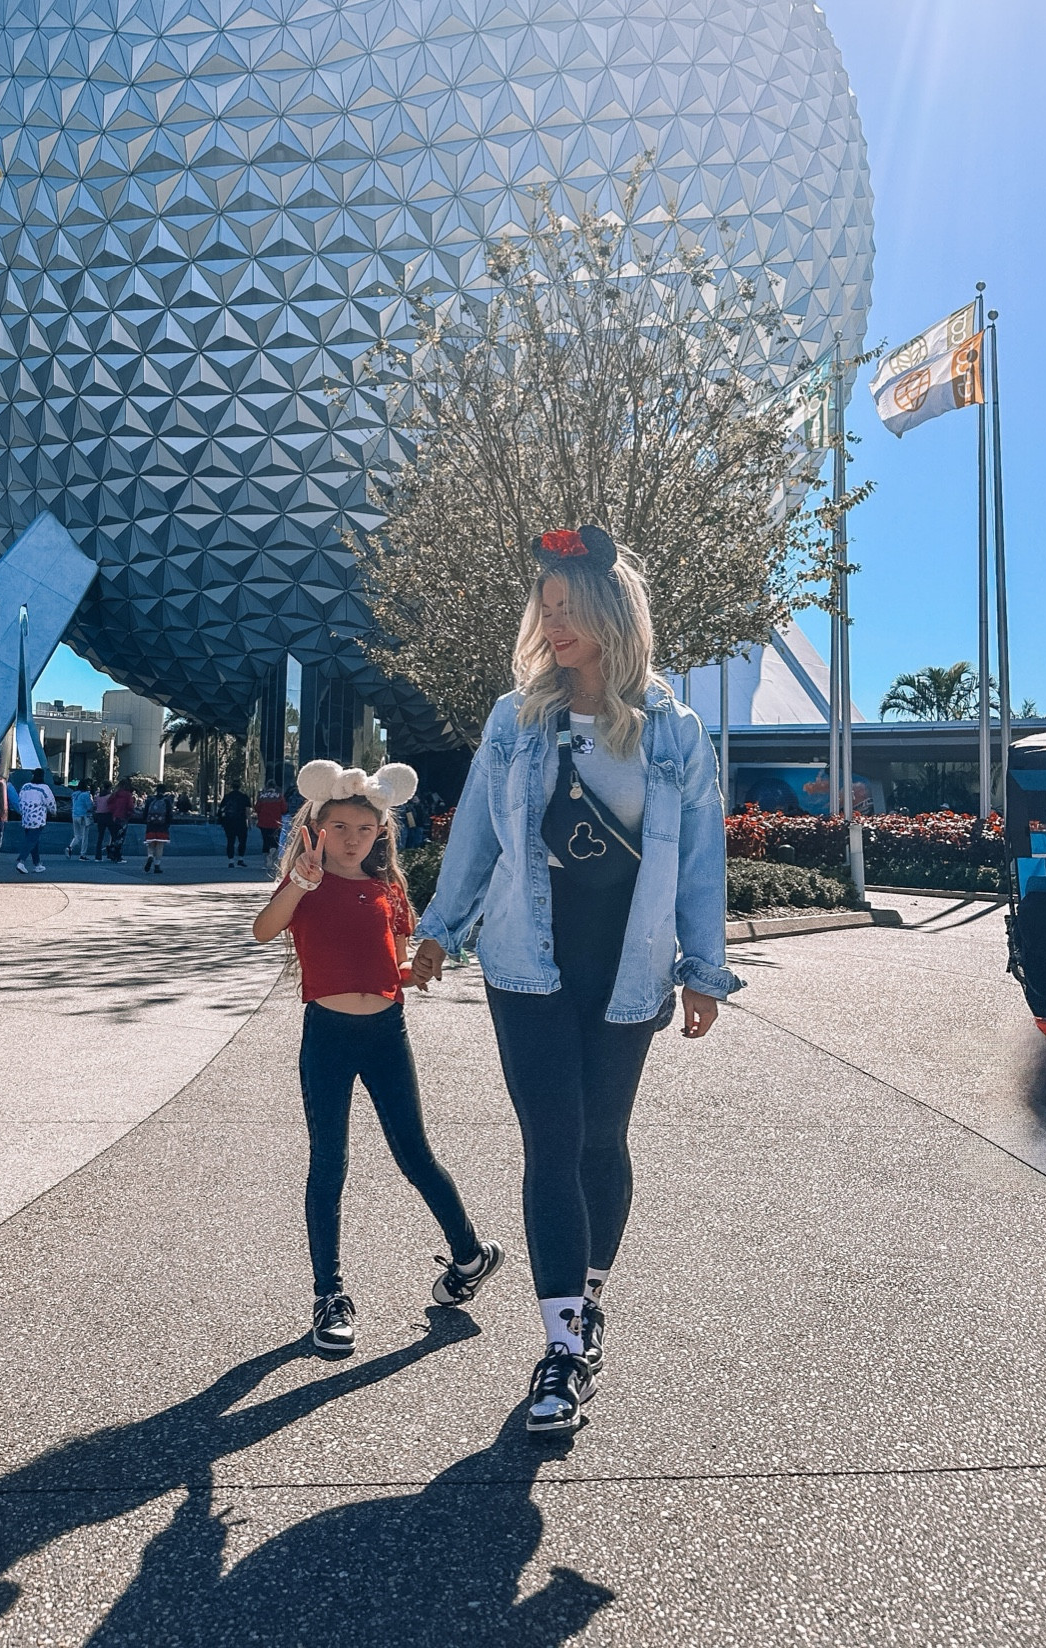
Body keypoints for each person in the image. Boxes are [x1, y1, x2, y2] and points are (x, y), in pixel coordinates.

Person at [410, 524, 740, 1439]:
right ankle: (561, 1345)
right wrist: (440, 931)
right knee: (551, 1141)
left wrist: (703, 968)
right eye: (545, 609)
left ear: (610, 613)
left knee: (603, 1137)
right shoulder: (515, 719)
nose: (553, 626)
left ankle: (586, 1301)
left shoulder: (673, 730)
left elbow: (703, 859)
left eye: (569, 609)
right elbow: (474, 833)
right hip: (526, 964)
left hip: (627, 963)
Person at [252, 758, 503, 1358]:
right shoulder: (305, 889)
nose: (350, 839)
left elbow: (394, 966)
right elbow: (263, 931)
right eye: (338, 827)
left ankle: (470, 1254)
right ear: (315, 827)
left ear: (380, 834)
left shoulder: (389, 892)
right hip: (327, 1036)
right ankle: (329, 1296)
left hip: (387, 1032)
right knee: (329, 1163)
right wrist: (298, 884)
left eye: (363, 830)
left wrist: (420, 970)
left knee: (414, 1153)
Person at [16, 770, 52, 874]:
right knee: (31, 841)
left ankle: (37, 864)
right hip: (38, 818)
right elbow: (50, 801)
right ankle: (21, 861)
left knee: (33, 841)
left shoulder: (25, 786)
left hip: (26, 817)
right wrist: (53, 811)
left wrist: (22, 812)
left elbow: (20, 799)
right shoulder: (44, 788)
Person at [141, 783, 175, 876]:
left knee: (150, 844)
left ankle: (150, 856)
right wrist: (168, 823)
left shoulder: (150, 800)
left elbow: (145, 813)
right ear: (164, 791)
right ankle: (157, 865)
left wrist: (146, 821)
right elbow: (169, 814)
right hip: (162, 826)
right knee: (160, 846)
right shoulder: (167, 801)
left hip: (151, 825)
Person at [219, 784, 250, 868]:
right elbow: (247, 810)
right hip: (241, 821)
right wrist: (249, 822)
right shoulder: (244, 797)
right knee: (242, 841)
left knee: (230, 841)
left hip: (229, 821)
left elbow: (221, 809)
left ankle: (231, 861)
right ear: (240, 787)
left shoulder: (227, 797)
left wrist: (222, 821)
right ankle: (240, 859)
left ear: (232, 787)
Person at [255, 784, 287, 865]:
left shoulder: (262, 797)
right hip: (276, 823)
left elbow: (257, 808)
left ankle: (266, 860)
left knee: (265, 841)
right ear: (274, 788)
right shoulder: (279, 797)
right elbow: (284, 809)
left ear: (266, 787)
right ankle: (272, 857)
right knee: (274, 842)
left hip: (263, 823)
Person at [107, 777, 137, 862]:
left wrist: (113, 811)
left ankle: (111, 852)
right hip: (123, 817)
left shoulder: (115, 794)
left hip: (115, 817)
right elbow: (130, 806)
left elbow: (109, 803)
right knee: (121, 837)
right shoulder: (128, 795)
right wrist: (131, 813)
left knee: (115, 836)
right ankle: (118, 855)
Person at [66, 779, 95, 861]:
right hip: (83, 816)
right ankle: (82, 854)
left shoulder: (74, 794)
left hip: (74, 815)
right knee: (85, 836)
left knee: (77, 835)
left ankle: (70, 847)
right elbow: (89, 806)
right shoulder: (86, 795)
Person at [91, 784, 114, 861]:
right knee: (113, 835)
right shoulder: (110, 796)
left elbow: (95, 805)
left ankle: (98, 856)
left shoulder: (98, 796)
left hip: (99, 816)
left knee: (100, 837)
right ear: (109, 788)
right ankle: (111, 853)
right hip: (108, 816)